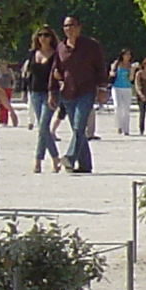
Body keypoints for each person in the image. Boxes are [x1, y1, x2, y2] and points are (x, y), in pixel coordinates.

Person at [52, 15, 107, 174]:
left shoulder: (91, 45)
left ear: (79, 27)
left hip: (86, 91)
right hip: (68, 93)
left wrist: (102, 88)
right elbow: (56, 70)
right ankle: (85, 165)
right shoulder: (61, 47)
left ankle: (70, 156)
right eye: (66, 26)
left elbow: (100, 67)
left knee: (79, 125)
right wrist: (52, 90)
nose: (69, 29)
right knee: (78, 130)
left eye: (72, 25)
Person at [23, 29, 61, 171]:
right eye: (40, 35)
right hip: (35, 92)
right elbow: (28, 75)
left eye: (46, 35)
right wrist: (25, 91)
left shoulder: (56, 55)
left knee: (43, 126)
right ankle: (55, 158)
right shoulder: (33, 54)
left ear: (51, 37)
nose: (43, 38)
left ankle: (38, 160)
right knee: (42, 127)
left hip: (50, 93)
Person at [111, 51, 135, 135]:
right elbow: (111, 73)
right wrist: (112, 73)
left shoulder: (130, 66)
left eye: (129, 55)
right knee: (117, 106)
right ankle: (119, 126)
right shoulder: (117, 63)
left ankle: (126, 128)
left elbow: (131, 79)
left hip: (127, 88)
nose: (128, 56)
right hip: (116, 87)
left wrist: (132, 70)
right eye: (126, 54)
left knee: (126, 108)